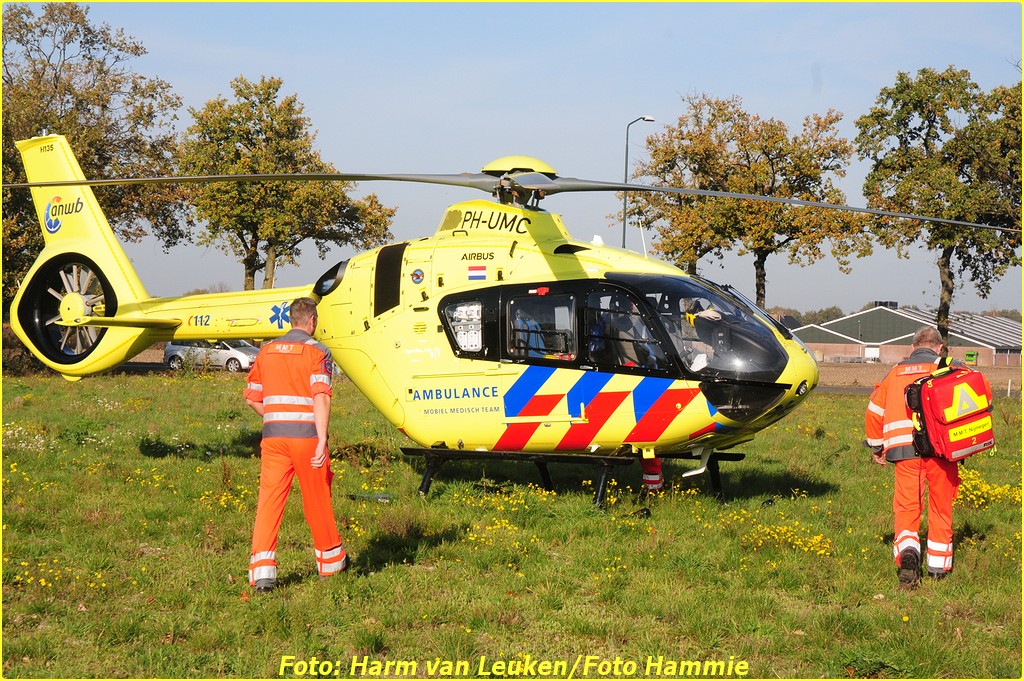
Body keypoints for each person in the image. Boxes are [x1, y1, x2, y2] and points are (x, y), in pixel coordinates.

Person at [243, 297, 347, 593]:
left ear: (290, 320)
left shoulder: (266, 351)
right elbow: (321, 395)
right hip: (307, 438)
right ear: (312, 321)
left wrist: (277, 417)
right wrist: (322, 439)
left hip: (274, 438)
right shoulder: (318, 351)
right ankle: (330, 564)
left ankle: (263, 575)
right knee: (317, 499)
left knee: (269, 502)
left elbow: (251, 397)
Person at [864, 326, 961, 590]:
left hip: (905, 452)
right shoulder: (950, 368)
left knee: (907, 507)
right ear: (939, 348)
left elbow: (874, 412)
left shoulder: (895, 373)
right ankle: (938, 569)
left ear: (913, 347)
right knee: (941, 507)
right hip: (942, 452)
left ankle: (909, 552)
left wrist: (876, 447)